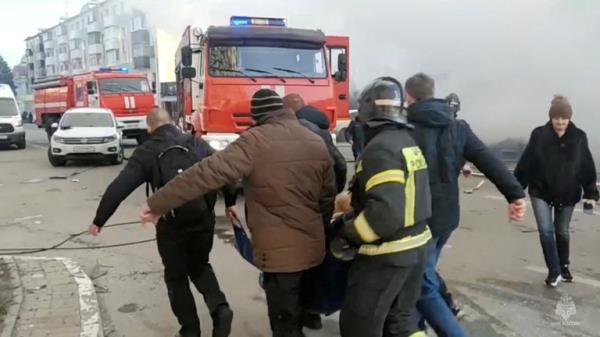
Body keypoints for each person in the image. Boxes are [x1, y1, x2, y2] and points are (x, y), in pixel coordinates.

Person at [140, 89, 336, 337]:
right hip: (313, 248)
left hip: (279, 256)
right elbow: (327, 196)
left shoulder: (254, 141)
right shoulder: (315, 140)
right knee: (299, 311)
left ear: (257, 116)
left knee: (284, 323)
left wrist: (157, 203)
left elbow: (206, 173)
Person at [89, 108, 234, 337]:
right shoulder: (195, 143)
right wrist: (231, 203)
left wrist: (99, 220)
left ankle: (190, 331)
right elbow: (225, 172)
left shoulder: (147, 150)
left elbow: (120, 186)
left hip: (171, 222)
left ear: (150, 127)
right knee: (200, 265)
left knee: (175, 275)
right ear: (173, 122)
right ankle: (220, 309)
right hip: (202, 217)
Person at [405, 73, 527, 337]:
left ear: (408, 97)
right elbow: (488, 159)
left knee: (421, 284)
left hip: (417, 219)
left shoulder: (405, 128)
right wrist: (515, 194)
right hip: (446, 218)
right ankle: (416, 327)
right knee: (422, 277)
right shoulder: (458, 127)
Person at [333, 77, 432, 337]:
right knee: (402, 324)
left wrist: (349, 232)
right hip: (417, 247)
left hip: (387, 254)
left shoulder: (380, 149)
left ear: (366, 110)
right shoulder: (407, 141)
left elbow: (386, 214)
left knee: (359, 326)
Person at [514, 95, 598, 287]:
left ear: (569, 119)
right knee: (546, 231)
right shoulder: (539, 135)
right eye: (556, 118)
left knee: (562, 232)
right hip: (540, 190)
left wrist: (591, 193)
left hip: (567, 192)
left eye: (564, 118)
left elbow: (586, 166)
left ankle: (564, 265)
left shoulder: (578, 137)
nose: (560, 122)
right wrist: (515, 190)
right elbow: (526, 162)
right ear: (551, 118)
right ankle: (554, 271)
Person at [283, 93, 347, 193]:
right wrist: (336, 190)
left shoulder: (286, 129)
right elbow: (340, 164)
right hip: (322, 190)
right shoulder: (322, 129)